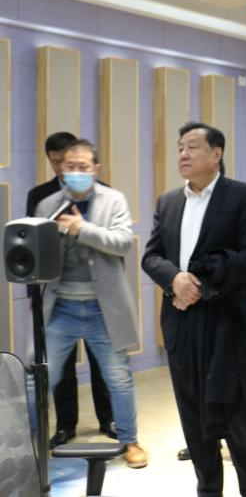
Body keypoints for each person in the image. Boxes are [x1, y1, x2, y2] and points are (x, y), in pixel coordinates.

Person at [143, 123, 246, 496]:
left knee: (240, 422)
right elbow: (151, 256)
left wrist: (199, 284)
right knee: (194, 420)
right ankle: (208, 488)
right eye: (180, 148)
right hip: (181, 321)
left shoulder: (242, 195)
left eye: (192, 147)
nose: (183, 154)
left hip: (226, 324)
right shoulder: (168, 201)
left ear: (217, 154)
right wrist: (174, 279)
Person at [35, 139, 146, 468]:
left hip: (104, 308)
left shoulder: (114, 200)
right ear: (60, 168)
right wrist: (54, 236)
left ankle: (130, 441)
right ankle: (30, 442)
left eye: (83, 167)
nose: (76, 172)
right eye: (70, 166)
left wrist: (82, 229)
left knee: (118, 378)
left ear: (96, 168)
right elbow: (37, 256)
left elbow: (122, 242)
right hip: (60, 307)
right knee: (42, 377)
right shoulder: (47, 205)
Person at [26, 131, 115, 448]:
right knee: (61, 364)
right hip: (56, 293)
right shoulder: (40, 196)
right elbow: (31, 246)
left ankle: (109, 419)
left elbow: (113, 245)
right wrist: (34, 295)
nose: (61, 169)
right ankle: (65, 425)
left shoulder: (105, 194)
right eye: (54, 163)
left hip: (98, 292)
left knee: (102, 360)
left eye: (64, 161)